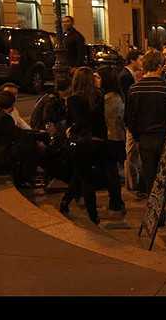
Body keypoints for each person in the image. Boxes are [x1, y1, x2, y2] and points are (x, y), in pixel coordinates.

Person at [124, 50, 166, 199]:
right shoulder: (165, 86)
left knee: (149, 175)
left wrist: (137, 136)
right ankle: (161, 207)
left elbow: (128, 118)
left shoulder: (134, 88)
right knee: (163, 175)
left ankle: (153, 213)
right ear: (159, 66)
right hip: (163, 136)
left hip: (144, 138)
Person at [60, 67, 107, 225]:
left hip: (81, 142)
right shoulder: (98, 96)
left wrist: (70, 130)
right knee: (80, 173)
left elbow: (77, 121)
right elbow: (101, 121)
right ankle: (65, 202)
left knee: (85, 177)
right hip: (96, 141)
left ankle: (92, 214)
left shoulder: (73, 99)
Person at [97, 66, 127, 214]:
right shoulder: (116, 96)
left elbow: (114, 120)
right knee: (112, 170)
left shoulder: (109, 99)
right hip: (116, 137)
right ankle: (116, 200)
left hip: (111, 138)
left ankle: (115, 201)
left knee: (111, 171)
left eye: (99, 77)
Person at [118, 49, 143, 192]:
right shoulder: (126, 76)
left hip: (132, 121)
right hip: (131, 122)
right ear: (133, 60)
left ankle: (133, 183)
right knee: (131, 154)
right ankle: (132, 185)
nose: (141, 63)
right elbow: (128, 101)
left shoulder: (129, 75)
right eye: (140, 59)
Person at [0, 91, 23, 176]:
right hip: (1, 155)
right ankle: (24, 178)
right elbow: (17, 134)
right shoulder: (6, 119)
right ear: (12, 105)